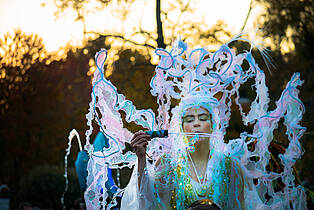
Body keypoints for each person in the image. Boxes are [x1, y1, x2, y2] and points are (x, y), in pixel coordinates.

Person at [122, 95, 245, 209]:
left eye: (202, 118)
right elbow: (149, 202)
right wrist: (142, 158)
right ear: (182, 128)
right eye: (190, 120)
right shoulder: (168, 163)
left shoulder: (230, 165)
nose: (196, 124)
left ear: (212, 125)